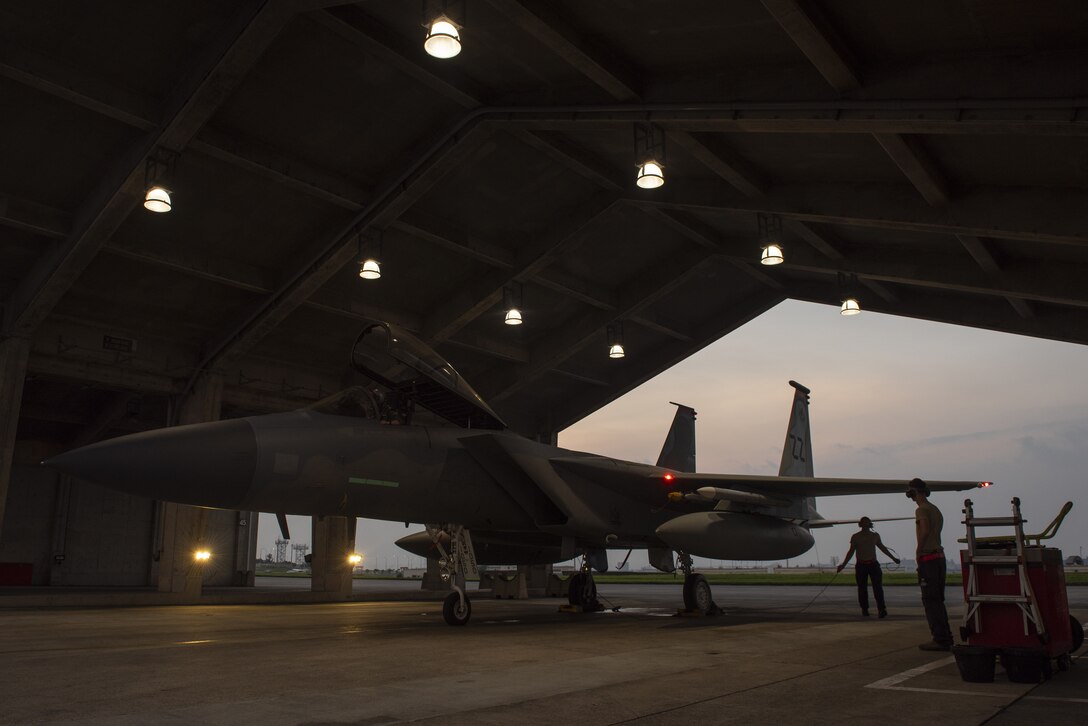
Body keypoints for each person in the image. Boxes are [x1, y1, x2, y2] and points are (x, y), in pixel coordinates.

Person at [907, 477, 954, 651]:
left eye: (911, 492)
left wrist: (919, 550)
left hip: (929, 559)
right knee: (938, 599)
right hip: (939, 558)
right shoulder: (935, 509)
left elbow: (925, 530)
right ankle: (946, 636)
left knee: (930, 600)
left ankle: (940, 639)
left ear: (916, 492)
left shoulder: (922, 510)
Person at [837, 517, 900, 617]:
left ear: (870, 525)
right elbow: (851, 552)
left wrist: (893, 558)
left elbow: (883, 548)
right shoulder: (855, 537)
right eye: (864, 524)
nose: (866, 526)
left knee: (878, 588)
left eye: (867, 524)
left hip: (873, 564)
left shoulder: (875, 536)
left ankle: (882, 609)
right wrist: (843, 565)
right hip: (861, 565)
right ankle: (864, 609)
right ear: (860, 525)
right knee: (862, 589)